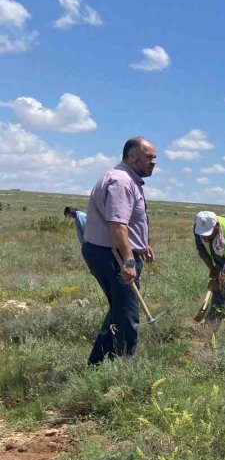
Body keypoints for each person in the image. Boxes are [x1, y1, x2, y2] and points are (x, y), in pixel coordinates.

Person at [82, 137, 157, 365]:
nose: (153, 162)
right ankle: (126, 365)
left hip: (114, 252)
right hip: (112, 255)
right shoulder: (122, 182)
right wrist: (129, 260)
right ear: (132, 157)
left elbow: (128, 222)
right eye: (148, 157)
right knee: (127, 313)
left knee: (119, 308)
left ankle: (97, 363)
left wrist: (141, 244)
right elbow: (117, 224)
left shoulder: (126, 179)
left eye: (154, 157)